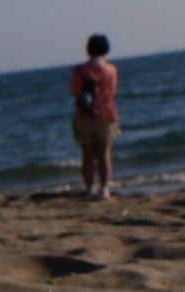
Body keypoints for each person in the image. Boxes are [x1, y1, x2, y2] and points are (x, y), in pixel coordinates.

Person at [71, 34, 120, 199]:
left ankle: (89, 187)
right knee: (104, 154)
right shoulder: (111, 70)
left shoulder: (78, 71)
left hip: (83, 115)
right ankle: (104, 188)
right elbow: (112, 93)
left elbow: (74, 92)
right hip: (106, 113)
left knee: (87, 155)